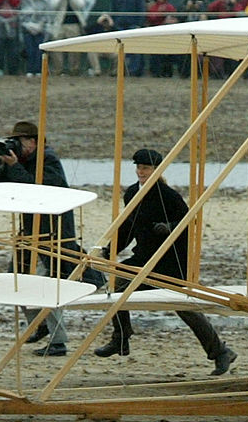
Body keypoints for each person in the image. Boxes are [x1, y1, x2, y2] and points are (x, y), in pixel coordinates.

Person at [95, 149, 237, 376]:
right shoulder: (132, 193)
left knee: (184, 308)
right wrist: (109, 250)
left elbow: (188, 223)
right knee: (118, 285)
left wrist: (170, 227)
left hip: (170, 261)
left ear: (157, 170)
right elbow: (128, 227)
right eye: (139, 168)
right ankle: (121, 338)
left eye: (146, 168)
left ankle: (221, 352)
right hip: (143, 257)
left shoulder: (168, 196)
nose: (141, 172)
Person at [0, 121, 78, 357]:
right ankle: (38, 325)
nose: (16, 146)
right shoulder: (22, 160)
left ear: (33, 141)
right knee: (15, 277)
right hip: (30, 231)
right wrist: (4, 162)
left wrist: (16, 166)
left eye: (19, 141)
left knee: (49, 284)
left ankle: (58, 341)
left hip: (53, 232)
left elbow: (41, 191)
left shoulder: (48, 160)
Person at [47, 0, 96, 76]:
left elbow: (80, 5)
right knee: (56, 47)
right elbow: (54, 5)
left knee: (74, 48)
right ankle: (57, 70)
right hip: (59, 24)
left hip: (74, 24)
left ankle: (74, 70)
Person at [111, 0, 146, 76]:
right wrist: (116, 24)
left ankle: (133, 71)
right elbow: (113, 10)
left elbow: (141, 9)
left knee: (134, 48)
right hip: (120, 26)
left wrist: (138, 25)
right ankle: (119, 70)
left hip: (133, 26)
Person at [20, 0, 50, 78]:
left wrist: (39, 26)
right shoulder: (24, 1)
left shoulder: (44, 1)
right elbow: (22, 17)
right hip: (28, 30)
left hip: (41, 31)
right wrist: (29, 26)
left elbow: (46, 16)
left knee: (39, 51)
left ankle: (38, 70)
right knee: (29, 51)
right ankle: (29, 70)